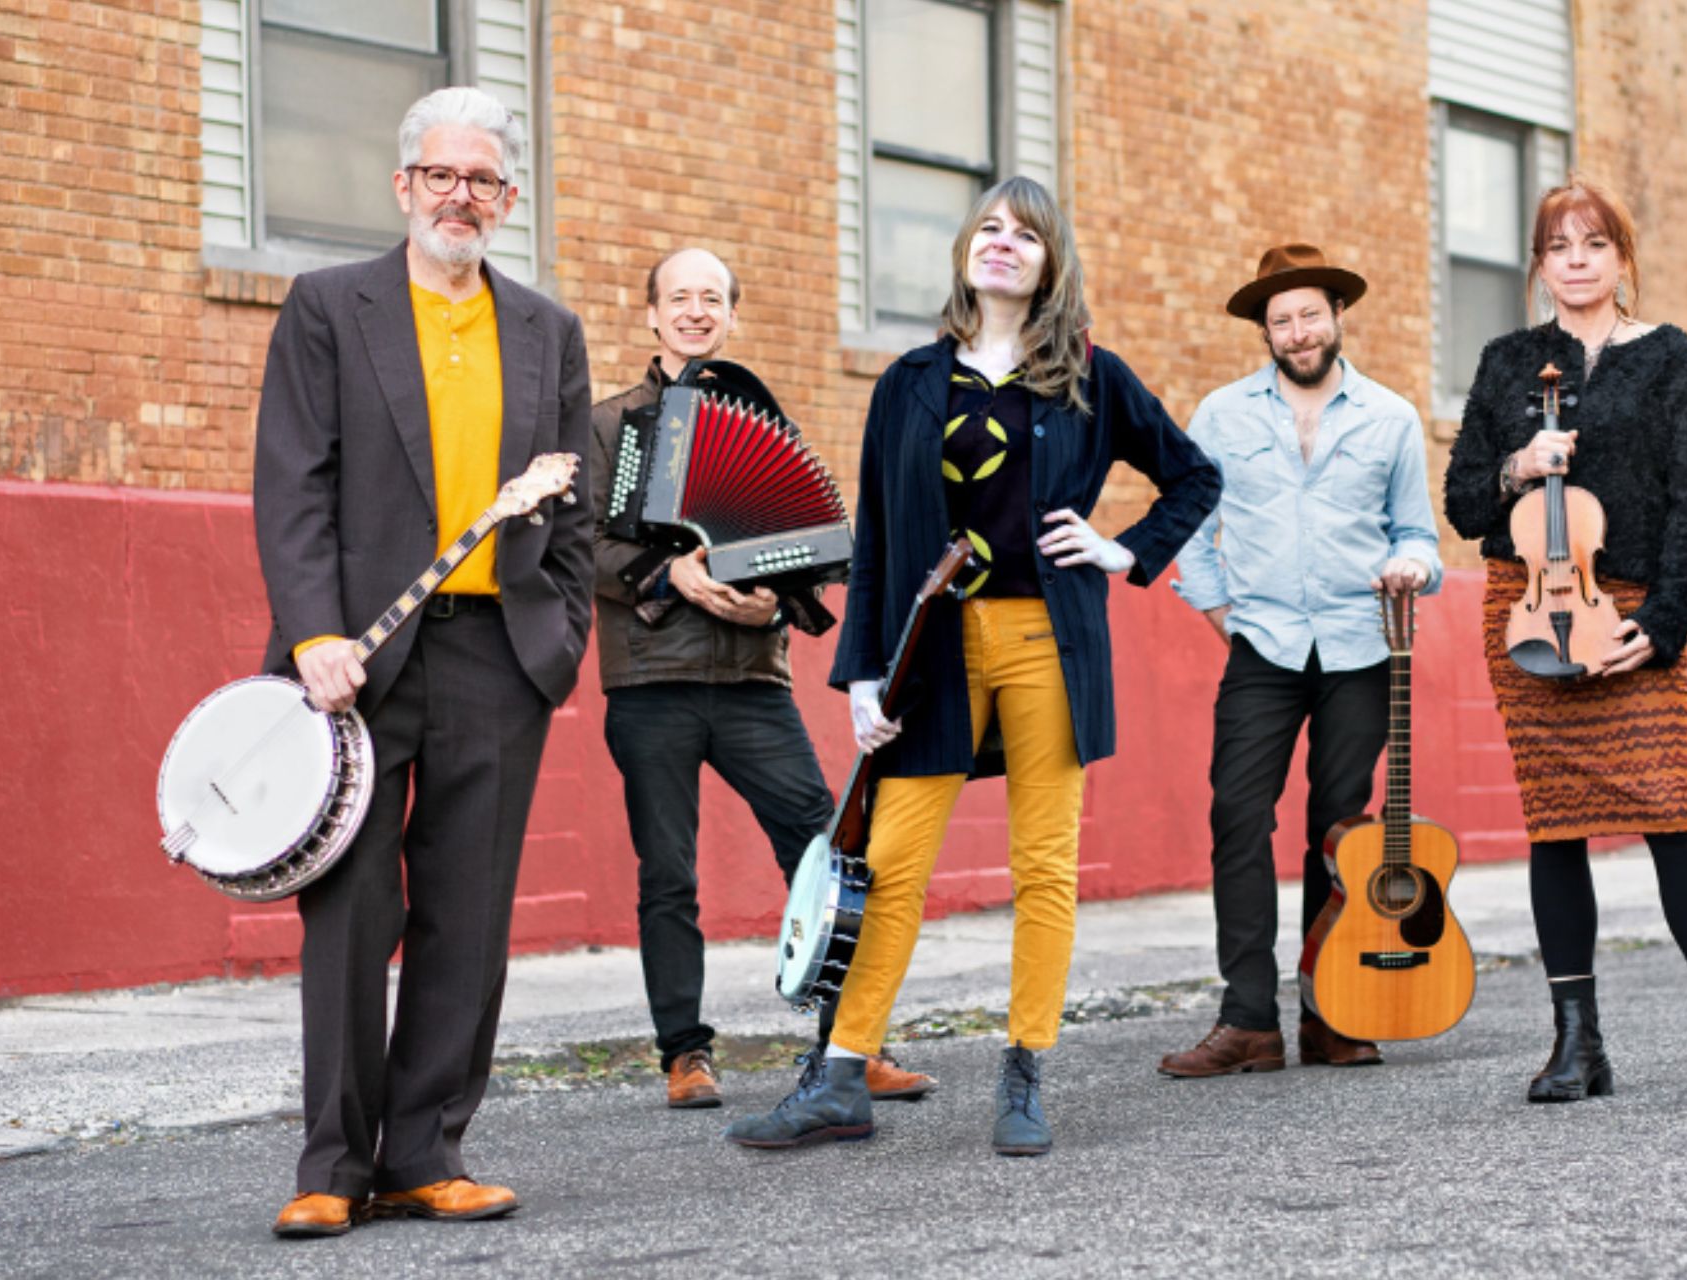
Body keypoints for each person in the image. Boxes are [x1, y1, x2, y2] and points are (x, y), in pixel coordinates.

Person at [725, 175, 1220, 1156]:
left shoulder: (1090, 373)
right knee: (894, 862)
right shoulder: (910, 380)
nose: (1002, 243)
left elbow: (1194, 473)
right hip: (932, 649)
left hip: (1047, 638)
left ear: (1049, 263)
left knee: (1045, 865)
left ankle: (1025, 1069)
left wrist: (1123, 548)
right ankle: (839, 1077)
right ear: (966, 251)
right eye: (988, 227)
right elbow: (877, 535)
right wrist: (864, 672)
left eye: (1024, 234)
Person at [253, 87, 594, 1237]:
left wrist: (562, 629)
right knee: (351, 908)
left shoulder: (549, 330)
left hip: (500, 654)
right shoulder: (327, 308)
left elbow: (577, 507)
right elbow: (292, 481)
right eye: (442, 175)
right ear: (404, 186)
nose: (463, 195)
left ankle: (427, 1150)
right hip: (354, 660)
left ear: (507, 198)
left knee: (468, 914)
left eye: (484, 179)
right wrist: (309, 635)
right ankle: (332, 1164)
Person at [1442, 175, 1687, 1103]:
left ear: (1622, 257)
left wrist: (1667, 623)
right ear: (1538, 264)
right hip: (1526, 605)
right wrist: (1521, 464)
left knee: (1669, 810)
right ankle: (1578, 1045)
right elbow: (1461, 503)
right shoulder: (1507, 362)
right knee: (1553, 823)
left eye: (1593, 244)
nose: (1575, 261)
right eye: (1558, 246)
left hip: (1633, 614)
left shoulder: (1676, 361)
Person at [589, 247, 934, 1109]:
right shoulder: (605, 425)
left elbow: (812, 552)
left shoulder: (761, 419)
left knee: (824, 851)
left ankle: (848, 1045)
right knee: (668, 873)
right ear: (651, 315)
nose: (695, 311)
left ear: (732, 317)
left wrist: (772, 611)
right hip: (650, 684)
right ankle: (685, 1054)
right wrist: (669, 575)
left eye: (712, 299)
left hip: (752, 682)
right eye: (679, 298)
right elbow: (574, 547)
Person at [1158, 244, 1444, 1080]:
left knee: (1340, 832)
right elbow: (1190, 519)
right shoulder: (1220, 415)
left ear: (1336, 317)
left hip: (1362, 646)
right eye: (1280, 320)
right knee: (1237, 814)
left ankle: (1331, 1011)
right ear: (1265, 331)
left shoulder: (1390, 417)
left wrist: (1414, 568)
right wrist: (1217, 610)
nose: (1297, 331)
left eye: (1309, 314)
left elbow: (1418, 534)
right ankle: (1248, 1020)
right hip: (1265, 646)